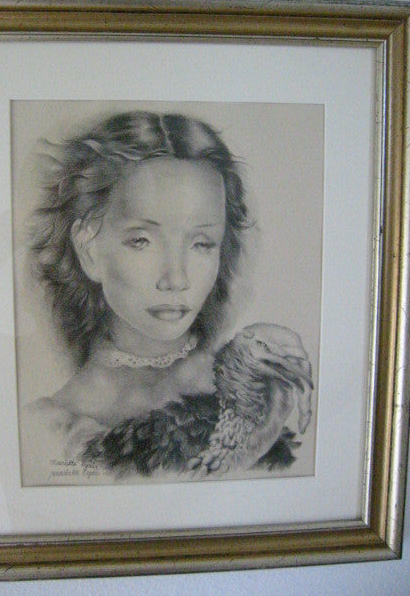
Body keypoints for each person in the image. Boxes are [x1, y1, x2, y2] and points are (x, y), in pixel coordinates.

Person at [20, 111, 249, 484]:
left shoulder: (249, 401)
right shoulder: (48, 430)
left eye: (202, 243)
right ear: (89, 248)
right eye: (141, 240)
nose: (176, 279)